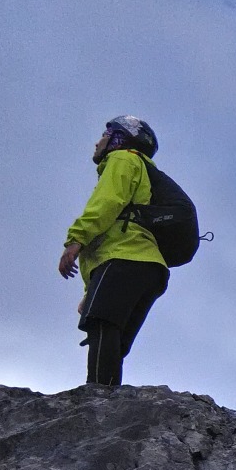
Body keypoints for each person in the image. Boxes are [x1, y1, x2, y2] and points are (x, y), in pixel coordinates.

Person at [58, 115, 169, 387]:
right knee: (112, 339)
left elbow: (107, 203)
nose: (98, 142)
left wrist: (76, 239)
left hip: (124, 258)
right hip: (148, 266)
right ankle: (108, 399)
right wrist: (91, 292)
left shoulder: (122, 159)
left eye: (105, 136)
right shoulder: (143, 170)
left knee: (102, 327)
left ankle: (97, 401)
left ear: (119, 139)